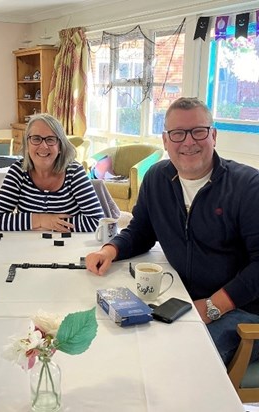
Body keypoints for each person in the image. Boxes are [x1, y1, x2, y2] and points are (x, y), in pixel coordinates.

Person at [86, 97, 259, 366]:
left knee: (180, 362)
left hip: (244, 310)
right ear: (165, 141)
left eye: (198, 131)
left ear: (213, 135)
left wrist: (214, 306)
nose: (188, 142)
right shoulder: (156, 179)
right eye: (177, 134)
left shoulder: (248, 187)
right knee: (123, 346)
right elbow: (141, 230)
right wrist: (111, 249)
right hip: (184, 300)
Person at [0, 114, 104, 232]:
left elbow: (98, 222)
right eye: (36, 139)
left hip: (69, 247)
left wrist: (50, 224)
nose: (43, 146)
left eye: (50, 139)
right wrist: (41, 220)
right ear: (27, 144)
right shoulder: (18, 171)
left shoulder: (74, 172)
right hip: (27, 246)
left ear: (60, 146)